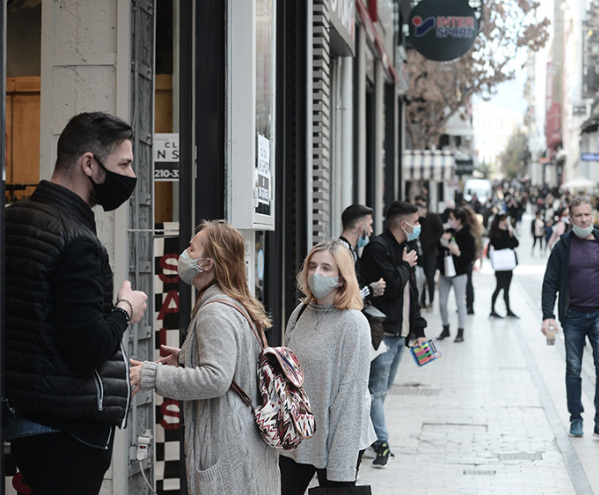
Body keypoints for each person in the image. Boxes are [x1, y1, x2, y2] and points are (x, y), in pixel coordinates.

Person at [4, 112, 149, 494]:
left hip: (24, 419)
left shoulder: (13, 219)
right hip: (68, 433)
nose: (131, 175)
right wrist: (125, 310)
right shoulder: (77, 241)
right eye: (124, 164)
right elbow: (87, 349)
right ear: (89, 164)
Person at [129, 220, 279, 494]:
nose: (184, 254)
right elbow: (234, 365)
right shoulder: (235, 303)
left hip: (228, 450)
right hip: (244, 448)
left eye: (192, 248)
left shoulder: (214, 311)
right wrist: (185, 359)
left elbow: (216, 378)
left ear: (207, 263)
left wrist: (152, 375)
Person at [280, 240, 374, 494]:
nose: (316, 274)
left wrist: (340, 466)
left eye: (326, 268)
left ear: (342, 278)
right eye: (312, 267)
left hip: (338, 437)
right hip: (299, 434)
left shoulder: (353, 323)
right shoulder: (300, 312)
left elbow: (351, 398)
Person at [541, 196, 599, 441]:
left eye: (587, 215)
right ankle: (576, 418)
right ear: (570, 218)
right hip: (573, 317)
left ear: (593, 216)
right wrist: (548, 316)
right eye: (578, 215)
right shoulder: (562, 247)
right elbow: (549, 283)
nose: (583, 219)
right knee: (573, 368)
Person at [358, 201, 428, 468]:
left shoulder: (405, 249)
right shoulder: (377, 248)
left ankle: (369, 438)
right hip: (383, 332)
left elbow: (412, 293)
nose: (418, 227)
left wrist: (419, 329)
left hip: (401, 333)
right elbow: (392, 287)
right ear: (403, 224)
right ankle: (381, 442)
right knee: (375, 391)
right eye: (416, 222)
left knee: (382, 391)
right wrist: (404, 265)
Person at [437, 207, 477, 341]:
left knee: (460, 302)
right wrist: (442, 240)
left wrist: (458, 253)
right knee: (442, 302)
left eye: (452, 218)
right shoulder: (448, 232)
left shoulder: (468, 237)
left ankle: (460, 331)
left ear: (459, 220)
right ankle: (445, 327)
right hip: (445, 271)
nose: (449, 221)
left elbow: (470, 256)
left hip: (459, 273)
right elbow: (438, 248)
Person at [339, 204, 385, 299]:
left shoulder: (349, 251)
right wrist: (370, 290)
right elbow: (344, 296)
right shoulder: (342, 253)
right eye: (370, 225)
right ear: (361, 227)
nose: (371, 231)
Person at [488, 213, 520, 319]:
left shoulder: (508, 231)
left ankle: (508, 310)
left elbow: (516, 244)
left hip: (508, 264)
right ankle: (492, 309)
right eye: (503, 220)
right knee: (499, 286)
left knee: (506, 288)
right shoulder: (495, 233)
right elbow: (499, 245)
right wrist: (505, 233)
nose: (506, 222)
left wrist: (510, 234)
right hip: (500, 264)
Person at [416, 202, 444, 310]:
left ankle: (431, 301)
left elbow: (440, 231)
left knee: (430, 277)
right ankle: (422, 301)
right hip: (420, 252)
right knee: (421, 277)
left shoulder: (432, 217)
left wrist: (432, 242)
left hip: (431, 252)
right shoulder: (418, 220)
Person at [459, 205, 483, 315]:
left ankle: (469, 305)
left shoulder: (468, 228)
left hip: (468, 258)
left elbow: (476, 244)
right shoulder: (475, 226)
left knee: (467, 282)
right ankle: (468, 304)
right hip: (470, 258)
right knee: (468, 282)